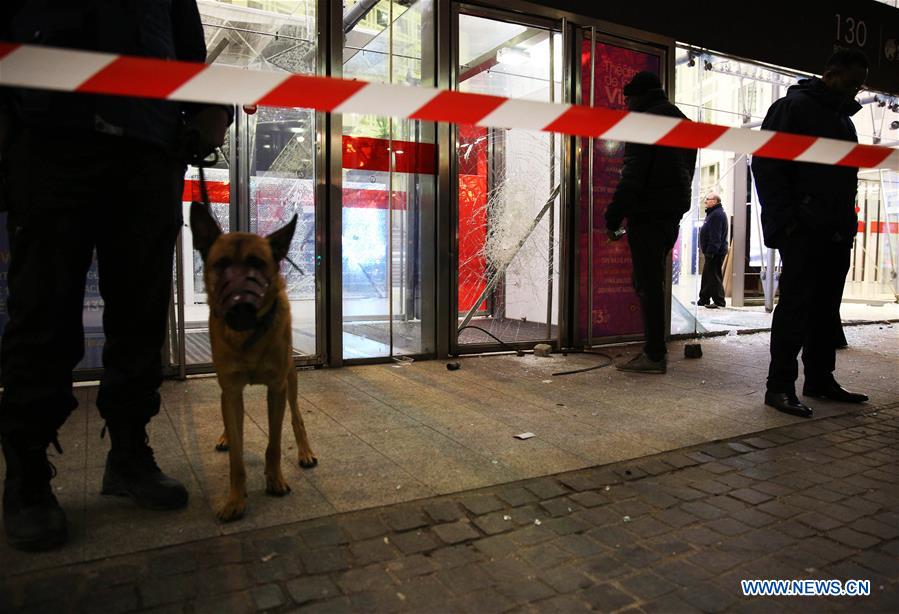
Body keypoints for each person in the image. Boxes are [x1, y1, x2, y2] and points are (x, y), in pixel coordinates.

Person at [0, 0, 231, 551]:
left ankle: (129, 451)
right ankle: (26, 471)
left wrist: (212, 107)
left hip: (147, 148)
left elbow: (188, 49)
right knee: (43, 311)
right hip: (51, 137)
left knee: (141, 315)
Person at [751, 48, 869, 418]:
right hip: (803, 230)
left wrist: (846, 226)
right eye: (852, 82)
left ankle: (819, 378)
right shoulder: (793, 109)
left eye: (860, 85)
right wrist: (787, 224)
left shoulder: (844, 121)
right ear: (830, 74)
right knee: (796, 307)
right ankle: (779, 386)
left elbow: (846, 180)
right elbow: (766, 166)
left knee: (825, 308)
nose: (855, 90)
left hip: (834, 231)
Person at [605, 71, 697, 374]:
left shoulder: (645, 122)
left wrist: (613, 215)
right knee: (651, 280)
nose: (627, 105)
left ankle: (655, 354)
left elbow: (633, 175)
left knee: (648, 283)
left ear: (638, 96)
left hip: (648, 213)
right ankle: (654, 350)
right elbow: (687, 172)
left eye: (629, 99)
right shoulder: (683, 122)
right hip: (670, 214)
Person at [697, 193, 728, 309]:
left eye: (707, 199)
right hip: (712, 251)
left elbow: (716, 235)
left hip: (715, 252)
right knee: (707, 276)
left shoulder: (717, 215)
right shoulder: (713, 213)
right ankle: (703, 299)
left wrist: (711, 251)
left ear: (715, 201)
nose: (705, 201)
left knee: (714, 276)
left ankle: (719, 301)